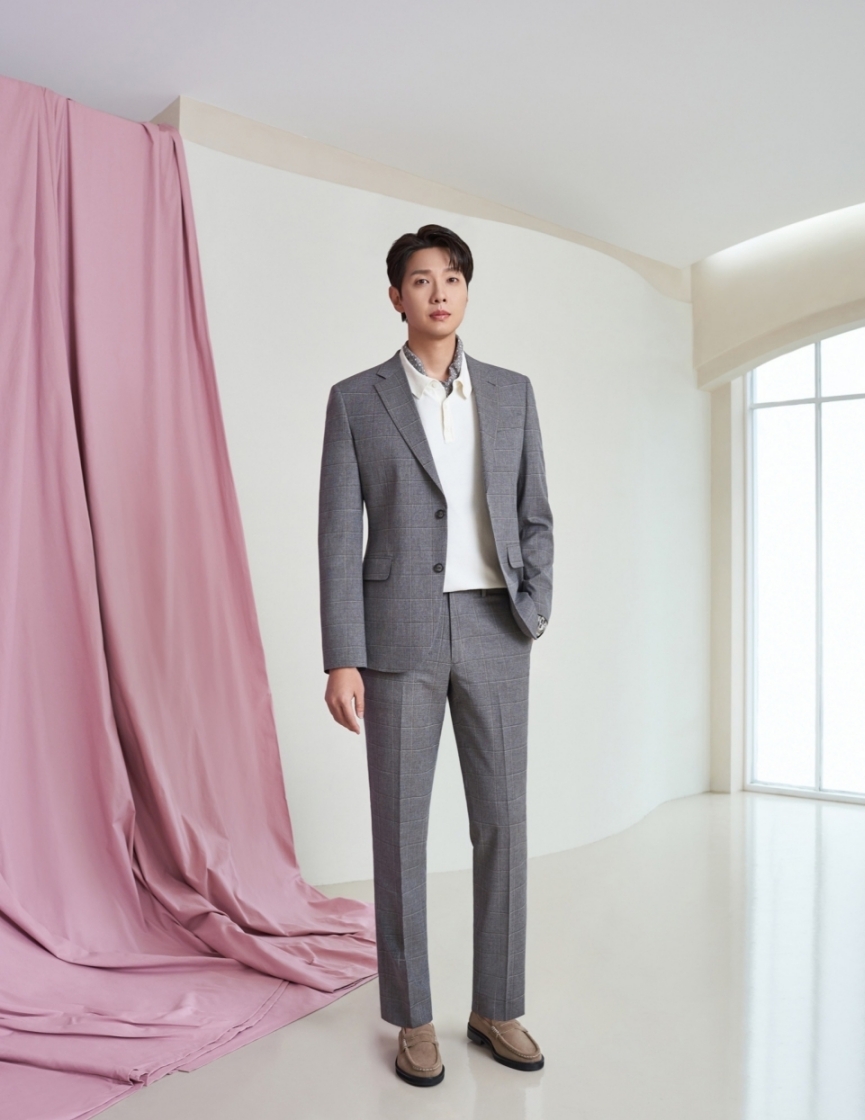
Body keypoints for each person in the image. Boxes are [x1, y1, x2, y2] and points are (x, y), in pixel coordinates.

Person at [318, 224, 553, 1087]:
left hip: (496, 629)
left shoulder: (513, 392)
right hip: (397, 638)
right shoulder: (356, 400)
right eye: (422, 280)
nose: (439, 292)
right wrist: (342, 656)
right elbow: (337, 538)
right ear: (397, 296)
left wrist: (534, 606)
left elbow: (535, 512)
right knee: (400, 830)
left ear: (466, 291)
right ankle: (413, 1017)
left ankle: (497, 1007)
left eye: (452, 277)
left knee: (504, 824)